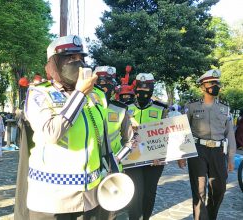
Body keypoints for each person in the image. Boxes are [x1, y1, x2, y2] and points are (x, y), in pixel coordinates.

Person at [22, 35, 129, 219]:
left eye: (80, 58)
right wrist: (79, 94)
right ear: (54, 64)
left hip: (90, 198)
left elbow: (102, 139)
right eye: (70, 59)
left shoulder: (96, 95)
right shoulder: (39, 94)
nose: (77, 63)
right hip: (52, 200)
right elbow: (51, 133)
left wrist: (113, 171)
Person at [178, 69, 236, 220]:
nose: (215, 86)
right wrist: (182, 154)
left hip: (218, 152)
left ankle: (210, 217)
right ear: (203, 87)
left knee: (220, 189)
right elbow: (184, 131)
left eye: (217, 83)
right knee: (199, 191)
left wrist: (231, 157)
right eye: (211, 83)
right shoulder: (191, 107)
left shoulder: (225, 108)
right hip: (198, 150)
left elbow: (229, 133)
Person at [125, 73, 168, 220]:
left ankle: (146, 217)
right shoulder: (125, 108)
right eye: (140, 88)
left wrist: (162, 155)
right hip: (132, 157)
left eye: (147, 88)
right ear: (135, 88)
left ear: (152, 89)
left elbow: (167, 134)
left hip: (154, 160)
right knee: (135, 192)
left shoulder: (162, 109)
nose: (143, 91)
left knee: (149, 192)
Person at [94, 66, 134, 219]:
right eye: (102, 82)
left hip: (113, 169)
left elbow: (129, 141)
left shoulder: (121, 110)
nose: (106, 87)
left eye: (110, 83)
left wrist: (116, 159)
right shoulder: (83, 106)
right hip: (88, 169)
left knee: (111, 213)